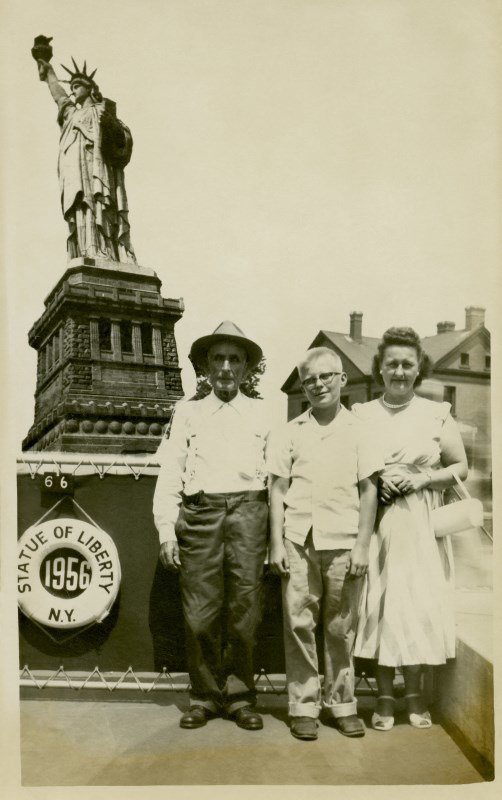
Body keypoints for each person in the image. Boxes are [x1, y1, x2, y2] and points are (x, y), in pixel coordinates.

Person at [153, 321, 269, 730]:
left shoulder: (262, 412)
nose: (225, 367)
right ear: (205, 365)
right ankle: (202, 696)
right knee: (199, 613)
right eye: (217, 358)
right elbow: (170, 473)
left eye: (234, 359)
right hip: (200, 515)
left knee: (245, 613)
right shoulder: (186, 412)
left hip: (250, 515)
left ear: (245, 368)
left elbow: (277, 477)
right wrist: (167, 530)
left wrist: (273, 537)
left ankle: (239, 697)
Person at [352, 327, 468, 731]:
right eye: (392, 364)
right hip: (379, 521)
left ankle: (415, 697)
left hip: (419, 521)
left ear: (419, 368)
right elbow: (350, 467)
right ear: (380, 369)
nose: (399, 371)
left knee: (415, 605)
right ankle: (385, 698)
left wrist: (423, 480)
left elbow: (459, 468)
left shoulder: (437, 413)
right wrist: (377, 480)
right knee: (383, 607)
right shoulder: (361, 415)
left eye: (407, 364)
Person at [267, 347, 383, 740]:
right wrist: (277, 545)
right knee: (298, 622)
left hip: (345, 541)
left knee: (340, 626)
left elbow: (370, 492)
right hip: (298, 540)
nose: (318, 385)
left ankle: (342, 704)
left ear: (342, 380)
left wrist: (363, 546)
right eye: (310, 379)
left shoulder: (360, 431)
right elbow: (277, 489)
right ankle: (303, 706)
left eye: (326, 377)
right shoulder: (290, 432)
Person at [36, 57, 136, 263]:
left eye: (78, 85)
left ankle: (107, 252)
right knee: (82, 206)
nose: (73, 89)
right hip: (76, 171)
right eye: (72, 86)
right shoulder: (71, 114)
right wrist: (49, 74)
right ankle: (87, 250)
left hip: (98, 169)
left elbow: (121, 141)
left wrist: (114, 132)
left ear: (90, 88)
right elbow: (60, 97)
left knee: (101, 205)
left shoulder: (102, 111)